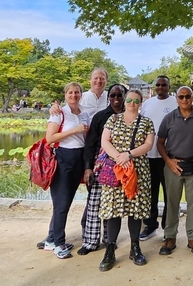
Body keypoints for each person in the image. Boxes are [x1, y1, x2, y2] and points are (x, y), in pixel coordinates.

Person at [37, 67, 110, 250]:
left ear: (106, 81)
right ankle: (54, 239)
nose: (98, 81)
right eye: (95, 78)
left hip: (90, 152)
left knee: (88, 194)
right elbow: (51, 136)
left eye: (102, 78)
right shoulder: (73, 104)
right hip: (65, 155)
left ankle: (74, 233)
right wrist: (53, 108)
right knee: (62, 198)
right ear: (90, 80)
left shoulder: (111, 97)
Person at [98, 90, 155, 272]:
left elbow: (148, 144)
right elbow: (104, 140)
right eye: (129, 99)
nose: (132, 103)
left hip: (137, 170)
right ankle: (110, 249)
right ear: (125, 101)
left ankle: (135, 247)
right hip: (116, 170)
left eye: (136, 100)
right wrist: (118, 157)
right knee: (114, 210)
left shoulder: (146, 122)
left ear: (141, 102)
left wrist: (128, 154)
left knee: (135, 210)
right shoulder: (113, 119)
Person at [157, 86, 193, 255]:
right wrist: (168, 161)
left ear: (192, 97)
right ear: (176, 98)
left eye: (187, 96)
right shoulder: (169, 118)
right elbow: (160, 142)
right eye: (181, 97)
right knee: (172, 202)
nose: (184, 100)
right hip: (173, 165)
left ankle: (192, 237)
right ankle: (170, 237)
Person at [77, 83, 128, 255]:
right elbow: (90, 144)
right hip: (100, 166)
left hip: (121, 166)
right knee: (94, 204)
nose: (115, 99)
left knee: (113, 204)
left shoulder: (130, 116)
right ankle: (91, 241)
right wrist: (87, 168)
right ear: (108, 98)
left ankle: (109, 239)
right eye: (112, 96)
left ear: (124, 97)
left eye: (119, 96)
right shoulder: (100, 117)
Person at [45, 82, 91, 259]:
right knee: (61, 203)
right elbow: (50, 138)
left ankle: (51, 239)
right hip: (63, 158)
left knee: (67, 201)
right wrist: (75, 130)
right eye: (70, 92)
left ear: (81, 94)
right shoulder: (59, 113)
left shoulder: (84, 113)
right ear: (65, 95)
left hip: (78, 158)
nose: (74, 95)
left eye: (77, 92)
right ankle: (58, 243)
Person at [139, 76, 178, 241]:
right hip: (149, 156)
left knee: (169, 193)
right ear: (154, 87)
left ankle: (168, 228)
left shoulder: (176, 102)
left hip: (169, 156)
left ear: (169, 86)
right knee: (150, 192)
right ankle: (150, 225)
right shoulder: (148, 103)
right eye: (158, 85)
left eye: (164, 85)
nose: (161, 87)